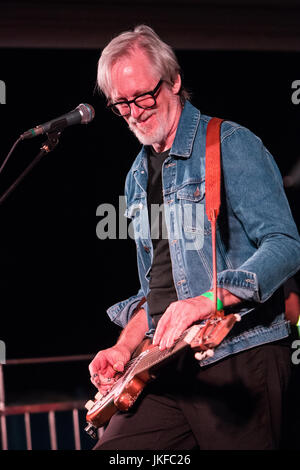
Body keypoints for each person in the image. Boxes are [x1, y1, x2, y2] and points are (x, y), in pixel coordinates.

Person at [90, 25, 300, 450]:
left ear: (175, 81)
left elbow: (285, 245)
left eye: (143, 96)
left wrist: (203, 303)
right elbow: (159, 288)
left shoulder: (230, 143)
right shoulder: (136, 175)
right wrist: (123, 347)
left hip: (238, 356)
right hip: (167, 367)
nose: (134, 112)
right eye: (121, 103)